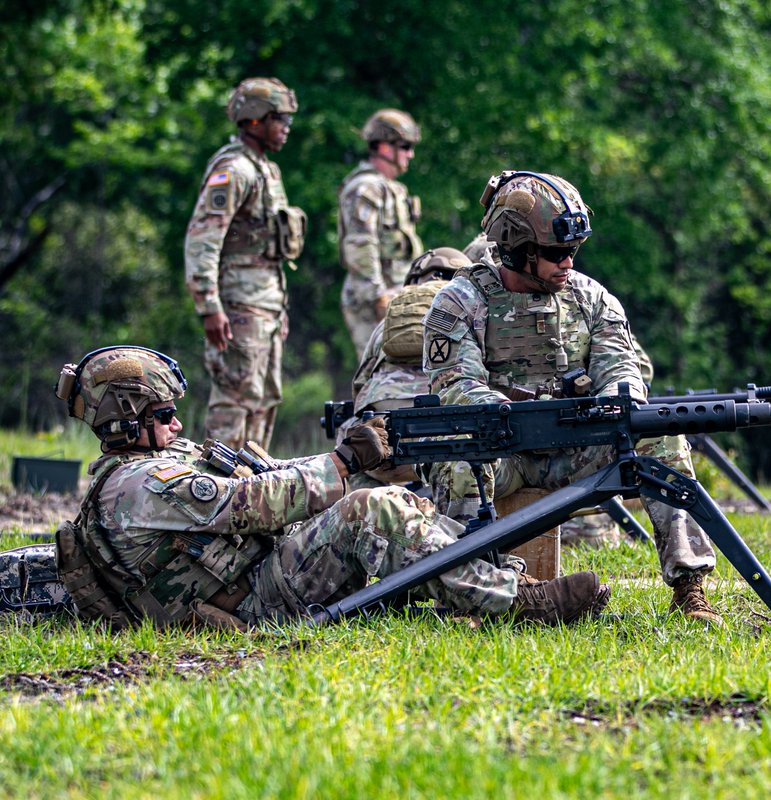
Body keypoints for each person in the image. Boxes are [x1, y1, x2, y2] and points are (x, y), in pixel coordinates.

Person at [52, 346, 610, 631]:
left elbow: (263, 477)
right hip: (252, 604)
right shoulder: (141, 485)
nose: (177, 423)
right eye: (164, 413)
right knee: (374, 510)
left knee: (381, 493)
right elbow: (251, 504)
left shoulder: (150, 465)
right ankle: (519, 602)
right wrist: (343, 461)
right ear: (127, 418)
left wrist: (350, 465)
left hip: (256, 577)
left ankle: (481, 585)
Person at [422, 171, 722, 624]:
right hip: (502, 453)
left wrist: (621, 401)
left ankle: (689, 589)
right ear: (518, 250)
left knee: (661, 437)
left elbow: (620, 367)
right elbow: (455, 385)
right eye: (556, 253)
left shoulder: (591, 298)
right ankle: (470, 599)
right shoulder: (458, 303)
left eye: (573, 252)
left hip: (576, 447)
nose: (568, 263)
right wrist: (509, 413)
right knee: (459, 462)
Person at [185, 77, 307, 451]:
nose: (286, 128)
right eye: (278, 118)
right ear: (254, 120)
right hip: (240, 304)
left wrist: (279, 309)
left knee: (264, 400)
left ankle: (249, 493)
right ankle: (216, 491)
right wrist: (209, 305)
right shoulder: (235, 171)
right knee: (235, 399)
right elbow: (203, 239)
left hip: (266, 305)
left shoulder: (266, 171)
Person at [344, 247, 469, 489]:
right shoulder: (472, 311)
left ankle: (369, 517)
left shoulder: (391, 318)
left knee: (351, 448)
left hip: (382, 452)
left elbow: (360, 386)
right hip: (449, 450)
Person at [339, 109, 425, 356]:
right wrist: (378, 297)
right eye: (405, 146)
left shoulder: (393, 189)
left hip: (396, 295)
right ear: (385, 148)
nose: (411, 154)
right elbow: (360, 246)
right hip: (374, 301)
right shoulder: (365, 189)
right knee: (376, 369)